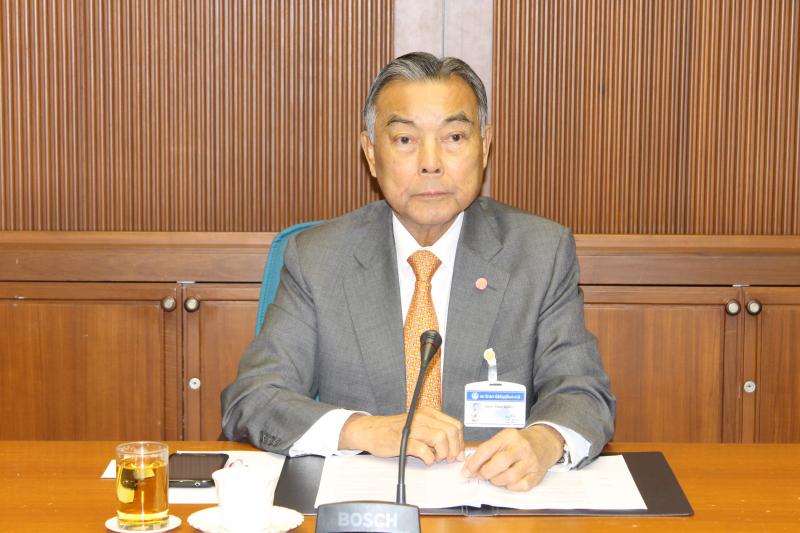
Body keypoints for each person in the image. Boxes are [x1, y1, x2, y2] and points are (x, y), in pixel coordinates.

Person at [222, 52, 614, 491]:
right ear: (371, 154)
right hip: (362, 504)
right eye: (405, 139)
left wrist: (545, 441)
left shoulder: (539, 253)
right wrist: (361, 430)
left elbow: (582, 394)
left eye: (454, 137)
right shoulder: (318, 258)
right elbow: (253, 398)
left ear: (485, 146)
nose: (430, 162)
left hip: (493, 504)